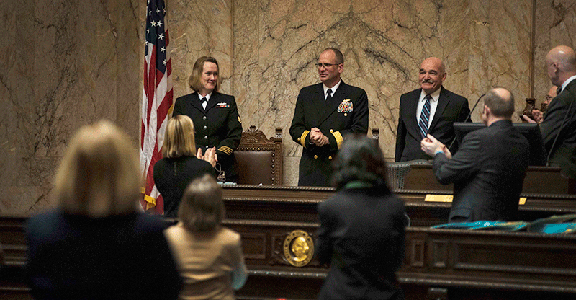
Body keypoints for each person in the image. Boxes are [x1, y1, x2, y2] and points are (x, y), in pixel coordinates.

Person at [26, 120, 181, 300]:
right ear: (126, 171)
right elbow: (169, 290)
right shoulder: (149, 233)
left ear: (71, 171)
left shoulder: (42, 230)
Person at [316, 134, 406, 300]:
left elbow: (322, 256)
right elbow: (398, 259)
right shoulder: (395, 207)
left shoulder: (331, 207)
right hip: (384, 295)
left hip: (340, 294)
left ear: (342, 165)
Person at [420, 88, 529, 222]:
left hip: (473, 224)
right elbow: (486, 170)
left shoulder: (478, 139)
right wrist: (449, 158)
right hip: (506, 222)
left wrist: (437, 152)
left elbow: (443, 174)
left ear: (486, 110)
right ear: (511, 111)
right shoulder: (522, 142)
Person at [289, 48, 369, 186]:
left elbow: (359, 131)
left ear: (340, 67)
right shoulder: (307, 94)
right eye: (319, 65)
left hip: (340, 170)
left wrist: (328, 140)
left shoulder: (355, 95)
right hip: (312, 170)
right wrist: (310, 137)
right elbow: (295, 128)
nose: (322, 69)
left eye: (327, 65)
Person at [165, 174, 247, 300]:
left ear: (185, 205)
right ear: (218, 207)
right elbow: (238, 282)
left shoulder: (170, 236)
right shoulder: (230, 239)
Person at [173, 56, 243, 182]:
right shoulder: (183, 103)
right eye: (208, 74)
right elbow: (177, 135)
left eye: (215, 74)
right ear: (197, 75)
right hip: (190, 169)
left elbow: (235, 134)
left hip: (223, 169)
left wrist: (216, 156)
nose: (213, 78)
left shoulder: (228, 101)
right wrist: (196, 156)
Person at [396, 57, 470, 162]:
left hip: (442, 168)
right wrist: (397, 167)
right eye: (422, 72)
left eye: (432, 73)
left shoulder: (457, 103)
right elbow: (401, 137)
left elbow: (464, 142)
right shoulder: (406, 99)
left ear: (443, 77)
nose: (426, 77)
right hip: (408, 167)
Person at [154, 115, 217, 218]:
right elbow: (210, 199)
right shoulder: (203, 168)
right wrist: (208, 167)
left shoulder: (158, 167)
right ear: (189, 137)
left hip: (169, 226)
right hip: (194, 227)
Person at [539, 45, 576, 181]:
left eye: (547, 67)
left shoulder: (565, 98)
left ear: (555, 67)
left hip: (564, 178)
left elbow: (544, 140)